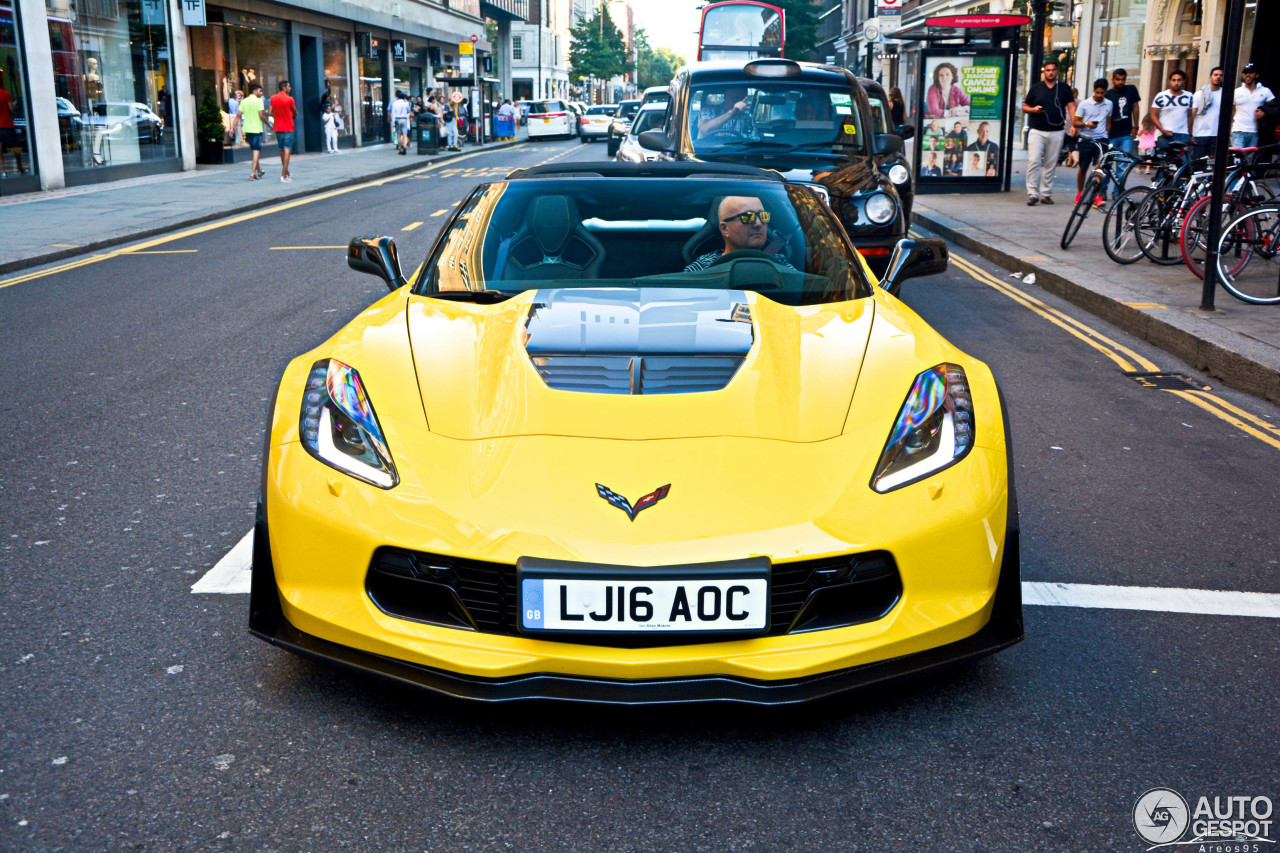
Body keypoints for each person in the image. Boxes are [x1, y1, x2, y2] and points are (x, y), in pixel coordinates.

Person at [683, 196, 796, 272]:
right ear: (724, 229)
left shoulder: (779, 262)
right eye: (747, 217)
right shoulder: (702, 268)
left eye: (763, 216)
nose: (758, 223)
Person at [1022, 58, 1075, 206]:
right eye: (1048, 70)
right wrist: (1033, 110)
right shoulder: (1036, 88)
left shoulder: (1064, 88)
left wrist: (1074, 123)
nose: (1051, 73)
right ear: (1044, 72)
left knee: (1050, 164)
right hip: (1037, 130)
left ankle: (1046, 194)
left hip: (1057, 130)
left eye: (1053, 70)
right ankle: (1032, 194)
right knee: (1034, 161)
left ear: (1057, 71)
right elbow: (1025, 106)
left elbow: (1071, 106)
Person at [1073, 79, 1112, 204]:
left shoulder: (1109, 104)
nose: (1099, 95)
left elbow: (1108, 121)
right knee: (1083, 168)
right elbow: (1075, 122)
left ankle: (1095, 196)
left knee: (1099, 168)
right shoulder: (1084, 104)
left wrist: (1107, 135)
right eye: (1097, 92)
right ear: (1094, 90)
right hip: (1086, 138)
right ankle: (1080, 193)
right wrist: (1086, 124)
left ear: (1106, 91)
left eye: (1102, 93)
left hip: (1102, 139)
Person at [1231, 63, 1274, 150]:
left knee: (1250, 160)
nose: (1248, 75)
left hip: (1255, 131)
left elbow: (1274, 107)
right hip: (1238, 130)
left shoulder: (1265, 91)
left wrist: (1264, 112)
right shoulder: (1237, 92)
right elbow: (1230, 111)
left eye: (1250, 72)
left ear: (1256, 75)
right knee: (1237, 159)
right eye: (1245, 73)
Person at [231, 83, 267, 180]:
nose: (261, 93)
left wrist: (232, 128)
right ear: (254, 91)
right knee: (256, 150)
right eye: (260, 91)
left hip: (247, 129)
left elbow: (238, 116)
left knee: (254, 151)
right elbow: (261, 116)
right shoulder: (259, 101)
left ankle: (259, 170)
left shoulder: (244, 101)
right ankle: (252, 172)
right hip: (257, 129)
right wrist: (268, 124)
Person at [1151, 69, 1192, 151]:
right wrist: (1162, 130)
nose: (1176, 83)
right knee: (1164, 162)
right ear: (1170, 81)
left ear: (1183, 81)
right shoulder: (1161, 96)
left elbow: (1190, 116)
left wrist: (1190, 133)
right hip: (1165, 134)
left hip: (1183, 134)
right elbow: (1153, 115)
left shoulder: (1189, 96)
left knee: (1183, 162)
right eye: (1174, 80)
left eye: (1179, 80)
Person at [1104, 68, 1141, 156]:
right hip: (1111, 134)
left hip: (1126, 133)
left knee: (1123, 161)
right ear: (1112, 80)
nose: (1120, 82)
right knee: (1107, 161)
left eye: (1123, 79)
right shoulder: (1107, 95)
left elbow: (1135, 108)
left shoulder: (1131, 89)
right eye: (1118, 79)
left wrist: (1135, 127)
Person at [1191, 66, 1225, 161]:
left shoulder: (1225, 94)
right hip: (1200, 134)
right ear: (1210, 77)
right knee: (1198, 163)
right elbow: (1193, 113)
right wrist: (1190, 133)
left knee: (1213, 165)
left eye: (1220, 75)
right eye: (1215, 75)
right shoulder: (1199, 94)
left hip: (1216, 134)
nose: (1218, 77)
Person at [266, 80, 297, 182]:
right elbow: (294, 111)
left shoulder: (273, 98)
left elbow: (269, 112)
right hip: (288, 127)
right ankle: (283, 175)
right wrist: (293, 115)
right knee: (287, 150)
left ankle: (286, 172)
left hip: (278, 128)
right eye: (288, 86)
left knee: (282, 150)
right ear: (284, 87)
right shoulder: (290, 99)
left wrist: (277, 115)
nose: (290, 88)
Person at [389, 90, 411, 154]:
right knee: (405, 135)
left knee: (398, 135)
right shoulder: (406, 103)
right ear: (403, 98)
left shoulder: (394, 104)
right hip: (404, 119)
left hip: (397, 120)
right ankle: (404, 147)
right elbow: (408, 111)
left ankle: (400, 148)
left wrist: (393, 123)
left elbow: (393, 114)